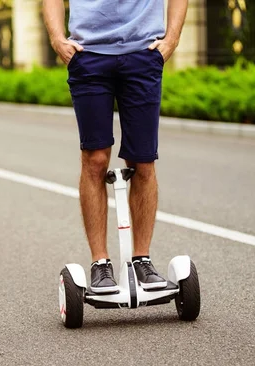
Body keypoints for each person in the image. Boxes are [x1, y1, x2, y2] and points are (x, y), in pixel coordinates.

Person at [43, 0, 188, 293]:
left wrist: (171, 39)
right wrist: (57, 39)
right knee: (95, 159)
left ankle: (141, 259)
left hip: (143, 55)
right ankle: (100, 264)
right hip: (89, 57)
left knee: (143, 161)